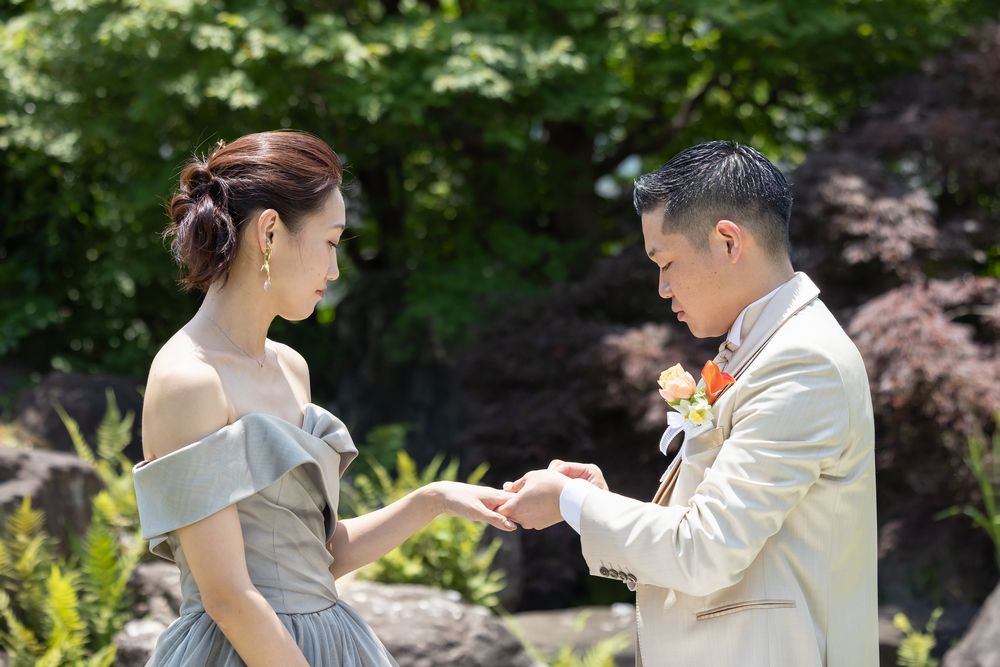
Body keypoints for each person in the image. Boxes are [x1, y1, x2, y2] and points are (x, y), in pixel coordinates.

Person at [134, 130, 516, 667]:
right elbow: (228, 598)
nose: (335, 270)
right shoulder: (189, 379)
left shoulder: (291, 367)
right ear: (270, 232)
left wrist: (432, 499)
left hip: (331, 642)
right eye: (332, 242)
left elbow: (317, 560)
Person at [497, 141, 878, 666]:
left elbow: (704, 552)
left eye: (667, 261)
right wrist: (601, 504)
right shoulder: (762, 346)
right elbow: (707, 529)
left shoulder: (801, 361)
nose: (662, 287)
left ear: (728, 241)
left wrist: (572, 502)